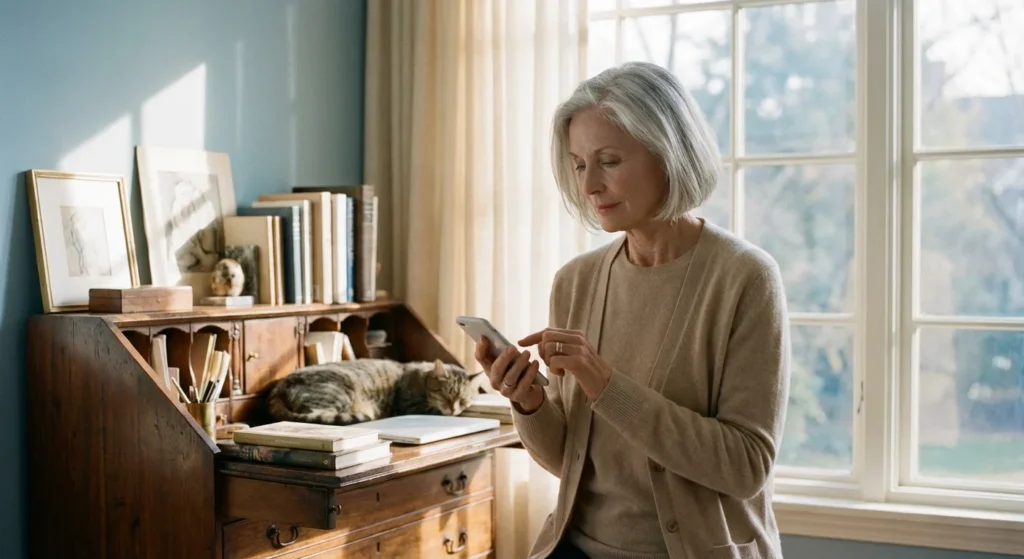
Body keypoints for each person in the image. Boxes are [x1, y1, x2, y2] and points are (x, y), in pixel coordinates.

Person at [475, 61, 791, 559]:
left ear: (668, 154)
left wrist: (605, 385)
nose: (590, 186)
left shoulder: (746, 278)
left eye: (610, 161)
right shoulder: (574, 282)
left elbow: (745, 466)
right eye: (580, 164)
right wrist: (529, 403)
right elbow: (570, 461)